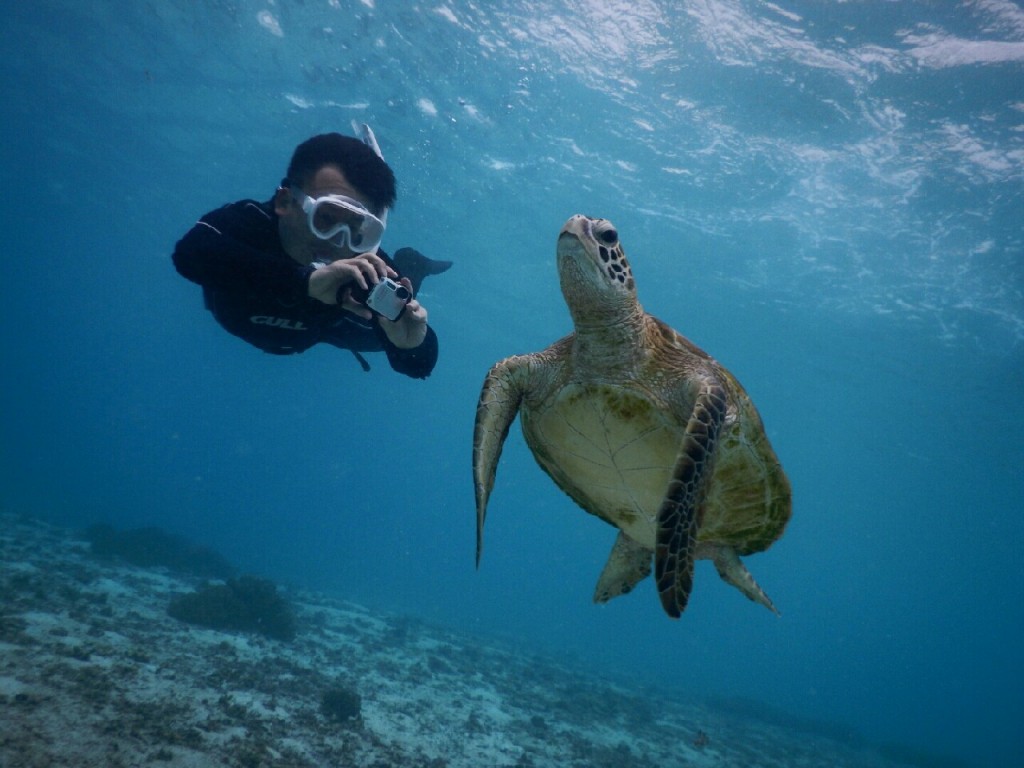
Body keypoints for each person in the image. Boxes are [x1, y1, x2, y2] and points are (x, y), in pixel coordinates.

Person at [172, 127, 451, 378]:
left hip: (323, 332)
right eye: (326, 219)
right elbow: (190, 253)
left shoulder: (363, 271)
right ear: (284, 201)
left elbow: (418, 366)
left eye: (357, 230)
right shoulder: (252, 222)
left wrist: (410, 343)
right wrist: (303, 282)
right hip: (258, 311)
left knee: (387, 318)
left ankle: (413, 264)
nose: (338, 244)